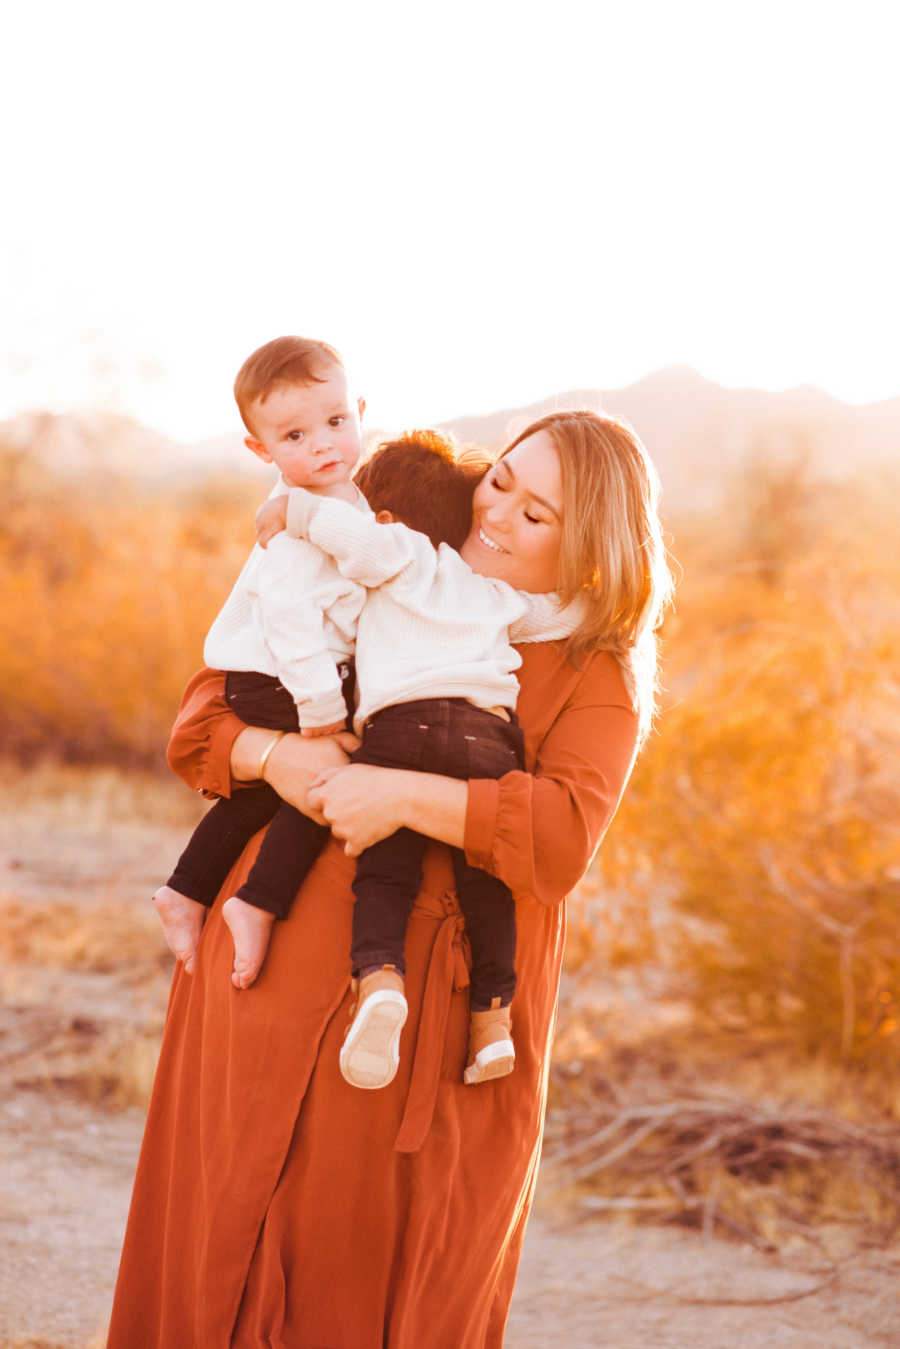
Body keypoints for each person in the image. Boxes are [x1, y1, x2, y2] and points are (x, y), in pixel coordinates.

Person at [108, 409, 673, 1349]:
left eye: (539, 515)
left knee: (360, 1271)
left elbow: (562, 838)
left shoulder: (592, 672)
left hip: (433, 1024)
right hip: (269, 969)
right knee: (221, 1240)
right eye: (504, 481)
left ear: (590, 548)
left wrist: (400, 792)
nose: (498, 515)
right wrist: (275, 755)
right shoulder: (394, 548)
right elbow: (205, 713)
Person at [260, 464, 585, 1090]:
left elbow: (353, 541)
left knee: (385, 874)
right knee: (486, 884)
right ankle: (492, 1025)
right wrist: (615, 598)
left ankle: (381, 982)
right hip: (484, 737)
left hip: (400, 731)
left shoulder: (401, 557)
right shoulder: (499, 595)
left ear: (390, 518)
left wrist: (294, 513)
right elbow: (559, 617)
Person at [153, 334, 370, 989]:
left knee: (258, 797)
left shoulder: (331, 497)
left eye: (336, 422)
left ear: (360, 409)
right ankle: (259, 901)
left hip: (283, 676)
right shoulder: (295, 525)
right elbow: (291, 622)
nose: (324, 445)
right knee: (326, 777)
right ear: (263, 451)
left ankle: (186, 889)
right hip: (285, 679)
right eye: (296, 436)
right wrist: (323, 714)